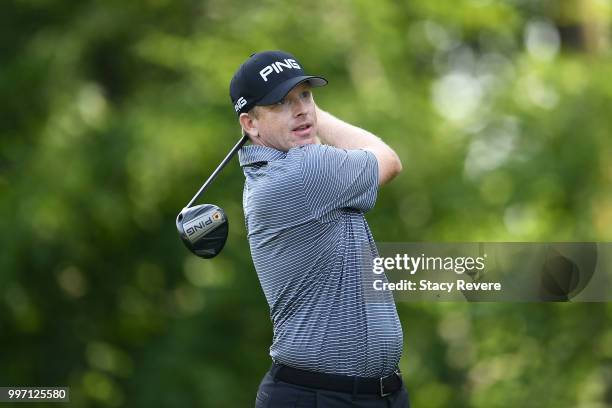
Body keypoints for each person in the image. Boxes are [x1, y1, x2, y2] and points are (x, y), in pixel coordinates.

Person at [230, 50, 409, 407]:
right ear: (250, 124)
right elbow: (388, 160)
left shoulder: (286, 170)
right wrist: (317, 119)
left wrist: (300, 119)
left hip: (374, 395)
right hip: (317, 397)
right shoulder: (302, 172)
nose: (301, 109)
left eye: (306, 96)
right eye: (281, 102)